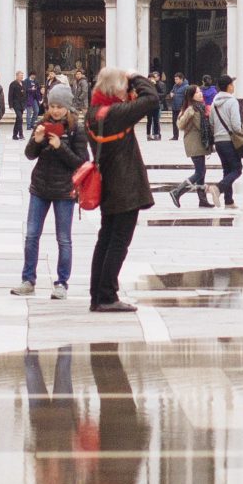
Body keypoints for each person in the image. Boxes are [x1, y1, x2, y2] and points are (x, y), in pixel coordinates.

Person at [85, 67, 160, 312]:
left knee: (105, 239)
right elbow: (152, 98)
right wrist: (136, 77)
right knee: (118, 242)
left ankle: (97, 294)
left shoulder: (93, 113)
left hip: (108, 184)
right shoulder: (115, 113)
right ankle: (107, 296)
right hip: (125, 186)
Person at [13, 84, 88, 299]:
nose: (55, 110)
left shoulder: (76, 129)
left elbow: (81, 162)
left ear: (67, 107)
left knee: (63, 238)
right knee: (31, 235)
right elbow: (29, 155)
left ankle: (62, 282)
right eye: (52, 106)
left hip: (64, 190)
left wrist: (60, 146)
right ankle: (28, 279)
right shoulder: (42, 123)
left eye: (59, 106)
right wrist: (37, 141)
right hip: (40, 187)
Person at [171, 84, 214, 208]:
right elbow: (184, 125)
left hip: (199, 143)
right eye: (197, 92)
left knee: (202, 172)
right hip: (194, 143)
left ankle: (202, 200)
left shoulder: (199, 107)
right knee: (199, 172)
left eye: (200, 91)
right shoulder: (192, 109)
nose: (200, 94)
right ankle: (177, 191)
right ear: (191, 96)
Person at [208, 76, 243, 208]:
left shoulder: (214, 102)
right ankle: (218, 188)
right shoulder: (232, 102)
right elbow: (236, 125)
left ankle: (228, 201)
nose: (233, 87)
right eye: (232, 84)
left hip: (219, 141)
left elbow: (211, 122)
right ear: (229, 86)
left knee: (227, 170)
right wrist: (242, 130)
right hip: (230, 141)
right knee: (237, 169)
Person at [7, 71, 29, 144]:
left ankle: (14, 135)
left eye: (22, 75)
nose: (22, 77)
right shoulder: (13, 84)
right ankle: (21, 134)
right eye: (20, 75)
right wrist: (10, 105)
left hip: (22, 104)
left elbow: (26, 93)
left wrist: (26, 102)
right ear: (16, 76)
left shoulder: (24, 83)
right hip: (16, 104)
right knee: (20, 118)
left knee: (18, 119)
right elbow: (10, 95)